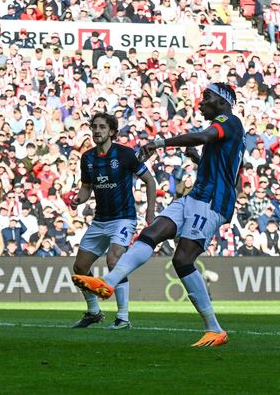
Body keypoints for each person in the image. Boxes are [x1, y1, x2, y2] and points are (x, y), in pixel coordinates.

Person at [73, 83, 244, 347]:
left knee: (183, 260)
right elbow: (229, 173)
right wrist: (198, 160)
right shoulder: (228, 133)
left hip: (211, 202)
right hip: (195, 197)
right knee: (150, 234)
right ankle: (108, 282)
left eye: (206, 97)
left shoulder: (228, 121)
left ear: (222, 101)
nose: (201, 102)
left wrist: (160, 143)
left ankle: (214, 329)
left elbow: (203, 137)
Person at [69, 112, 157, 330]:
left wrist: (150, 212)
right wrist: (78, 199)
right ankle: (94, 312)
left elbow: (150, 180)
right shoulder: (87, 158)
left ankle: (123, 318)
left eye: (102, 127)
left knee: (114, 260)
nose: (97, 131)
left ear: (112, 132)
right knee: (80, 267)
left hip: (123, 218)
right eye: (94, 127)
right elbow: (86, 187)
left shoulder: (125, 154)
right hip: (100, 220)